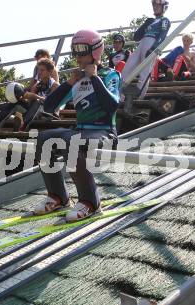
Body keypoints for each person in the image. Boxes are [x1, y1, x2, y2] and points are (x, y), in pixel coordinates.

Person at [33, 29, 121, 222]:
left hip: (104, 132)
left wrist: (95, 78)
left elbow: (112, 106)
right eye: (75, 51)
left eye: (82, 51)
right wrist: (69, 83)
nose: (78, 57)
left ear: (95, 51)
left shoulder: (110, 75)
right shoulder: (77, 80)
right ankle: (58, 196)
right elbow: (49, 105)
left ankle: (91, 201)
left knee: (72, 141)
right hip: (80, 131)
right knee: (43, 138)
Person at [0, 58, 59, 131]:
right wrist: (22, 98)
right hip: (34, 112)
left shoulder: (55, 85)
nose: (39, 72)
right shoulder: (37, 85)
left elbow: (49, 103)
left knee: (37, 102)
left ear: (50, 71)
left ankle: (22, 127)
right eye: (38, 70)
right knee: (16, 101)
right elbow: (30, 101)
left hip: (48, 114)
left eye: (42, 70)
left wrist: (35, 97)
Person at [121, 0, 171, 99]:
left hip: (151, 43)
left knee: (144, 72)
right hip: (142, 43)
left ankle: (139, 97)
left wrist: (154, 48)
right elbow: (136, 37)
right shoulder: (151, 21)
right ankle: (120, 95)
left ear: (164, 7)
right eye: (154, 5)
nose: (155, 7)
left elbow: (163, 35)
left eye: (157, 5)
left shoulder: (164, 20)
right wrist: (144, 25)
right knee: (127, 68)